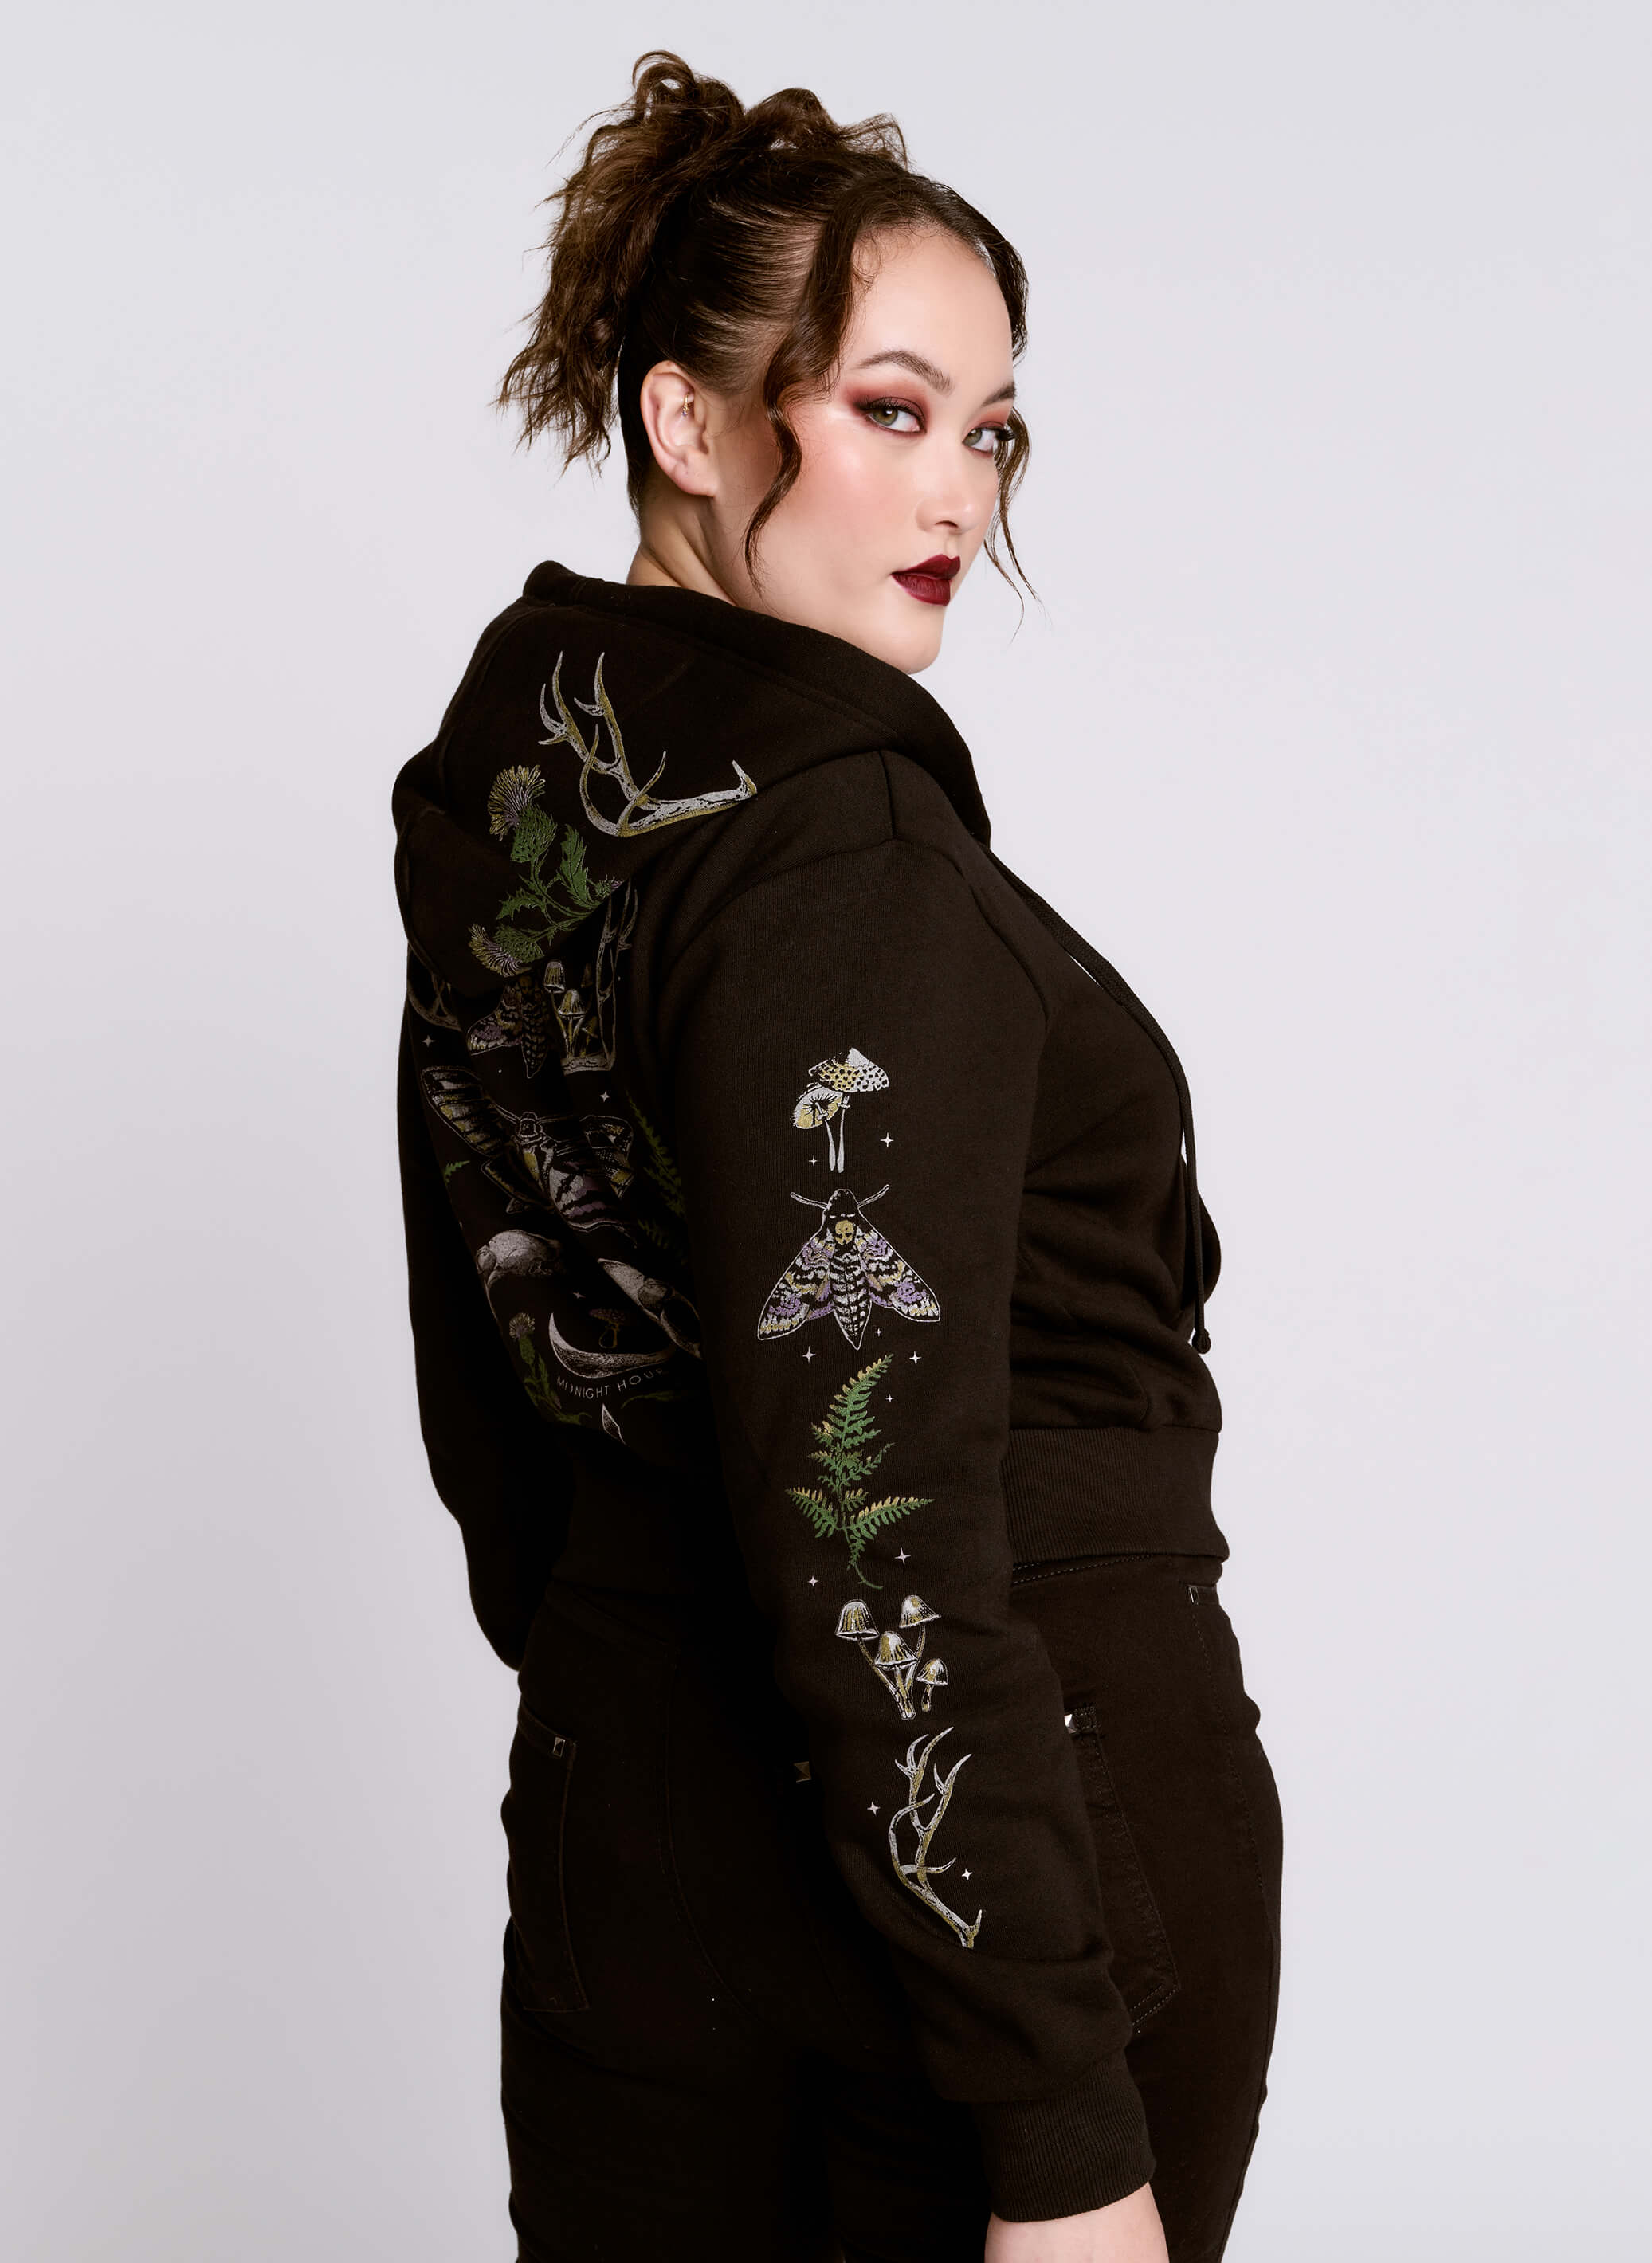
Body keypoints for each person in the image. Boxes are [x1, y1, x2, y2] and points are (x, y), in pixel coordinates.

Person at [392, 53, 1281, 2263]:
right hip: (996, 1854)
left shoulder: (517, 798)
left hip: (635, 1825)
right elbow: (874, 1523)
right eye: (891, 410)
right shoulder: (842, 850)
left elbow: (492, 1383)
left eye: (990, 430)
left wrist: (637, 1698)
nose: (958, 488)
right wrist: (1059, 2127)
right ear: (689, 423)